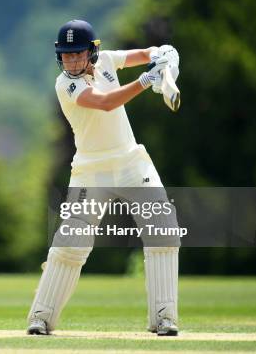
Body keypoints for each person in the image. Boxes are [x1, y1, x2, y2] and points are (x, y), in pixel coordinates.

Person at [26, 19, 181, 336]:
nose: (71, 61)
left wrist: (164, 54)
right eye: (66, 55)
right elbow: (106, 103)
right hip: (91, 170)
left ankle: (164, 318)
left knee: (163, 228)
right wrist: (144, 81)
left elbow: (144, 53)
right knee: (71, 242)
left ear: (92, 52)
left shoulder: (108, 59)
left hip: (131, 162)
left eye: (77, 54)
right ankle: (40, 318)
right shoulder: (66, 85)